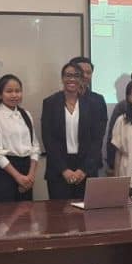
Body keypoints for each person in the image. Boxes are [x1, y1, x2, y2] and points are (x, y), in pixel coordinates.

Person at [42, 62, 104, 199]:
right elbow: (48, 139)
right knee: (59, 211)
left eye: (76, 76)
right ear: (62, 78)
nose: (72, 79)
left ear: (81, 79)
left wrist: (83, 170)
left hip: (86, 168)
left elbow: (96, 140)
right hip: (59, 169)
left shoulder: (93, 104)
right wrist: (64, 170)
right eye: (68, 75)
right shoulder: (50, 103)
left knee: (86, 211)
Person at [0, 74, 41, 202]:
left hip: (26, 170)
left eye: (18, 91)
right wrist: (18, 177)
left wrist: (31, 175)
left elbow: (35, 147)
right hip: (5, 171)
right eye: (9, 91)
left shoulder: (26, 114)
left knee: (25, 212)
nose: (14, 95)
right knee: (5, 213)